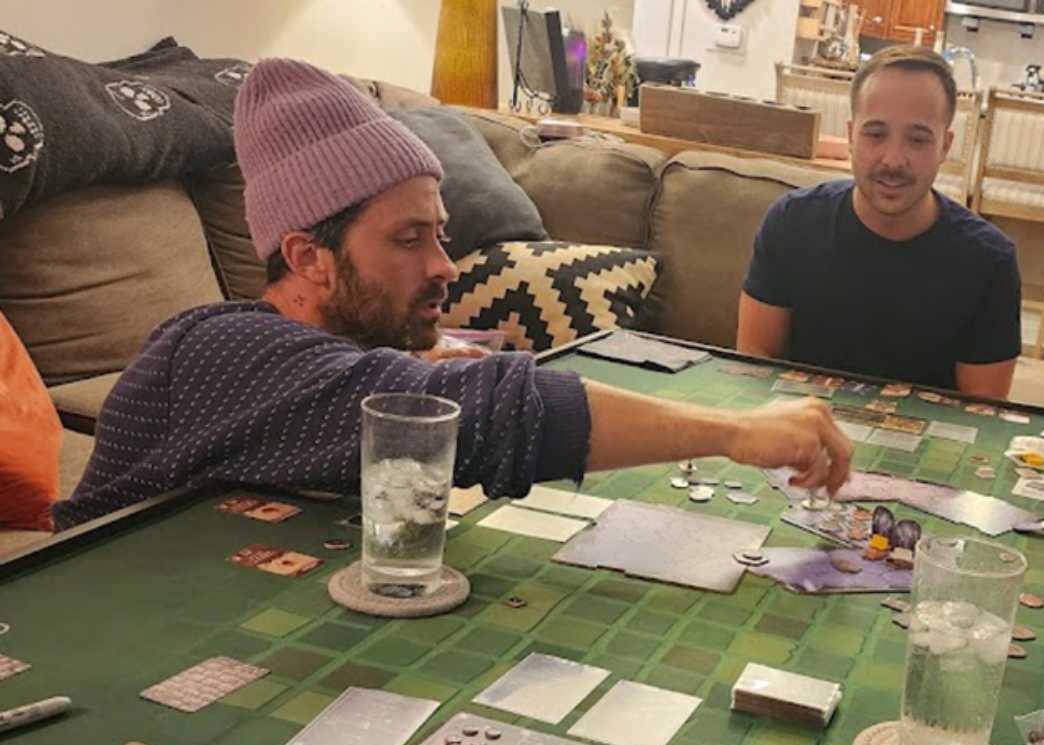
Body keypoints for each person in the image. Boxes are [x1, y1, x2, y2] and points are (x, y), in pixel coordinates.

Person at [53, 60, 852, 530]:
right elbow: (477, 415)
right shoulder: (224, 347)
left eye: (438, 233)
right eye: (408, 239)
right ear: (308, 257)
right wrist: (735, 430)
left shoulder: (334, 360)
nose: (443, 266)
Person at [736, 47, 1021, 398]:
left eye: (917, 139)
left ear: (945, 146)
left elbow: (982, 414)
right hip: (798, 439)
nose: (893, 159)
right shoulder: (790, 223)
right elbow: (754, 364)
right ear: (851, 136)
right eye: (875, 133)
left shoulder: (990, 261)